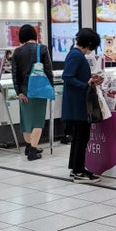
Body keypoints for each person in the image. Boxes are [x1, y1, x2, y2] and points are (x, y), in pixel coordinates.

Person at [62, 28, 103, 183]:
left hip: (77, 103)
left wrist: (90, 79)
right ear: (90, 43)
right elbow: (67, 76)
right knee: (81, 138)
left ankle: (76, 168)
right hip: (78, 104)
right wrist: (86, 84)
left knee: (79, 138)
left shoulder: (75, 54)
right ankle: (78, 171)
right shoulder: (76, 55)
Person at [11, 24, 54, 161]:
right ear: (34, 35)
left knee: (26, 120)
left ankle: (29, 146)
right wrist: (50, 88)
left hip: (24, 90)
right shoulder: (42, 49)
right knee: (37, 121)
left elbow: (14, 74)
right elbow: (48, 71)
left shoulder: (17, 52)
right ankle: (33, 152)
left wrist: (18, 92)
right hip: (39, 88)